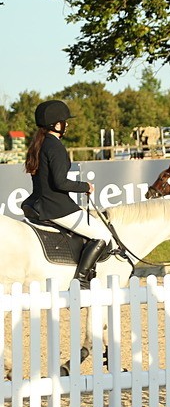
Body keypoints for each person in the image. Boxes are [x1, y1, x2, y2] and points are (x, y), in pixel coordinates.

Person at [21, 99, 115, 289]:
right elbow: (60, 182)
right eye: (65, 121)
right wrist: (85, 186)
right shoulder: (54, 146)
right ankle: (80, 280)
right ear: (56, 124)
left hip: (36, 202)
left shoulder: (39, 144)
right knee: (103, 234)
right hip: (55, 207)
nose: (67, 124)